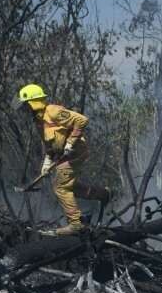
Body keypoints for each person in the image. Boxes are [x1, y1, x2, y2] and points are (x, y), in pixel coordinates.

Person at [17, 83, 110, 236]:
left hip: (75, 152)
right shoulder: (39, 121)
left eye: (25, 106)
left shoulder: (53, 111)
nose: (24, 110)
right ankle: (103, 194)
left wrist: (71, 142)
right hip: (62, 155)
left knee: (60, 187)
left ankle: (76, 224)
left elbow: (82, 120)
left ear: (33, 103)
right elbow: (50, 143)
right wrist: (47, 161)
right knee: (70, 187)